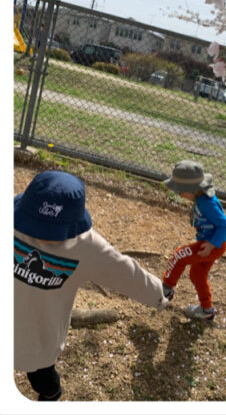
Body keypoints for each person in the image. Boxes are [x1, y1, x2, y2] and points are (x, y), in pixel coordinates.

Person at [14, 170, 168, 401]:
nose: (41, 235)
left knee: (42, 378)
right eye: (34, 226)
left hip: (38, 339)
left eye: (51, 231)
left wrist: (158, 293)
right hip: (27, 334)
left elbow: (125, 272)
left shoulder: (86, 247)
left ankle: (50, 394)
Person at [161, 160, 226, 321]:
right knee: (197, 275)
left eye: (180, 192)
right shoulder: (200, 199)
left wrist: (212, 245)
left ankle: (166, 289)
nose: (179, 195)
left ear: (191, 190)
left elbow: (225, 225)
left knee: (179, 255)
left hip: (212, 245)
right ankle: (207, 310)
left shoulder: (207, 204)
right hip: (211, 244)